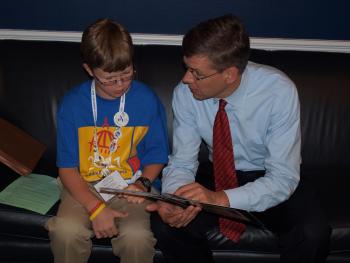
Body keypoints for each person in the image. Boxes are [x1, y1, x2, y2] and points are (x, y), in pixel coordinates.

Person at [147, 14, 331, 263]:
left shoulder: (278, 91)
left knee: (312, 233)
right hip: (216, 173)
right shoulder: (186, 94)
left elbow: (282, 177)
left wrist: (220, 199)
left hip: (268, 175)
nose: (186, 79)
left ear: (230, 75)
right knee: (165, 225)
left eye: (196, 73)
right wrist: (173, 200)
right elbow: (182, 162)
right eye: (187, 68)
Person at [45, 18, 169, 263]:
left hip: (129, 184)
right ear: (89, 70)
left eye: (126, 74)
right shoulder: (73, 104)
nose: (120, 85)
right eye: (110, 79)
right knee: (66, 232)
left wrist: (143, 183)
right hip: (83, 183)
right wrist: (96, 208)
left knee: (137, 238)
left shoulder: (146, 100)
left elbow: (157, 155)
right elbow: (68, 169)